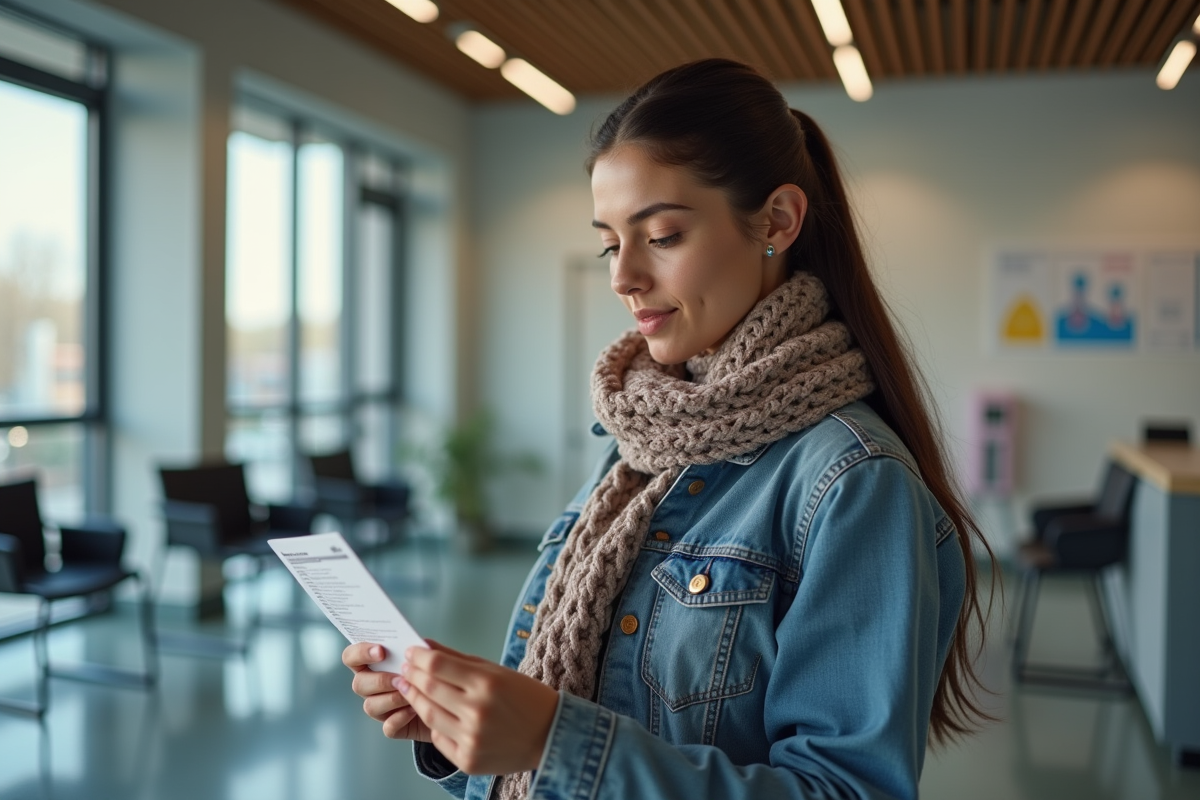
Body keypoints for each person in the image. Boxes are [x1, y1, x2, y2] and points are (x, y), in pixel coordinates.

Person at [343, 58, 992, 800]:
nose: (622, 276)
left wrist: (553, 741)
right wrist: (464, 728)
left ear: (776, 221)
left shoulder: (854, 482)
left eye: (663, 235)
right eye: (610, 243)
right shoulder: (641, 446)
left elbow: (847, 791)